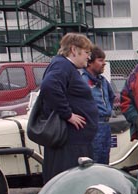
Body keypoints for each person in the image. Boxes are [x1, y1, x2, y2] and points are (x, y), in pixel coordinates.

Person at [39, 33, 97, 183]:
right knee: (69, 182)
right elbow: (49, 86)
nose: (88, 57)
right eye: (86, 52)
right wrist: (68, 114)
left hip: (74, 141)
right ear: (73, 50)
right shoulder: (62, 65)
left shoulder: (64, 66)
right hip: (70, 144)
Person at [81, 45, 115, 164]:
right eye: (100, 60)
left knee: (104, 160)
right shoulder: (82, 80)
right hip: (92, 126)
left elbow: (111, 97)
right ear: (89, 62)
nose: (104, 63)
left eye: (104, 60)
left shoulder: (103, 81)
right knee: (93, 162)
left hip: (105, 126)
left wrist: (108, 111)